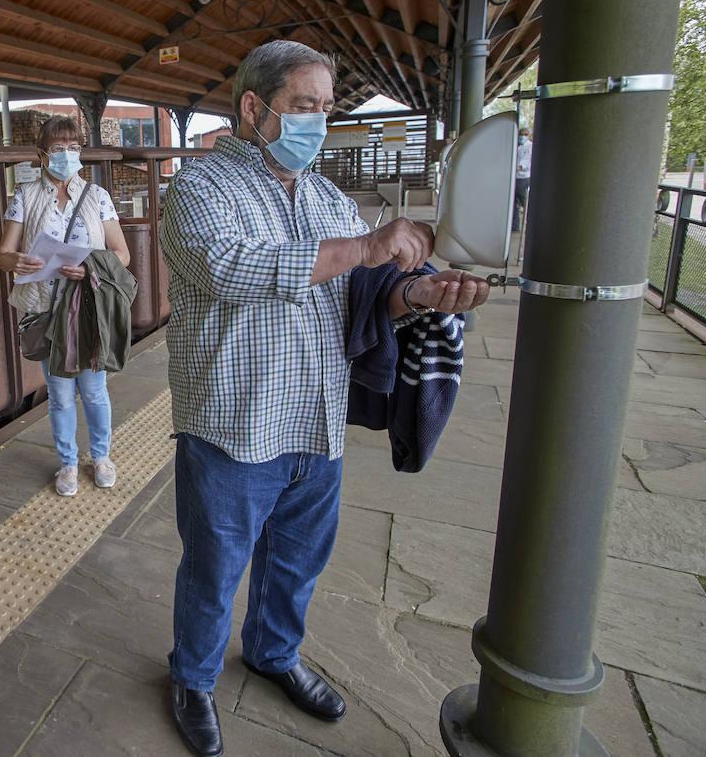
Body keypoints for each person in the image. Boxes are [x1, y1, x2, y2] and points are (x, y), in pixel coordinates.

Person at [159, 40, 490, 757]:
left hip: (314, 419)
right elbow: (229, 269)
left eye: (325, 109)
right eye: (304, 106)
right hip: (234, 424)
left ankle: (274, 655)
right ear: (255, 108)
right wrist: (369, 249)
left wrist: (419, 293)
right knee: (215, 567)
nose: (318, 122)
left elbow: (364, 294)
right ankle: (192, 677)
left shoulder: (328, 196)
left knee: (297, 562)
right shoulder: (199, 188)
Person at [0, 117, 131, 497]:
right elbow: (2, 254)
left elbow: (121, 254)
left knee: (94, 390)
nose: (67, 155)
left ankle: (102, 456)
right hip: (45, 309)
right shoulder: (24, 196)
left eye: (73, 147)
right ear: (41, 155)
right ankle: (68, 463)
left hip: (87, 306)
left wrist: (91, 265)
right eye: (58, 148)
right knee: (59, 394)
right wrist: (15, 261)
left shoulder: (97, 196)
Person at [514, 125, 532, 231]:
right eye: (521, 134)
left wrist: (520, 167)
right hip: (514, 178)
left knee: (525, 202)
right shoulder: (517, 146)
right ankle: (515, 226)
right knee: (514, 204)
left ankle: (529, 224)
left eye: (525, 135)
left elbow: (528, 162)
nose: (522, 137)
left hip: (523, 178)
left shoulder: (530, 146)